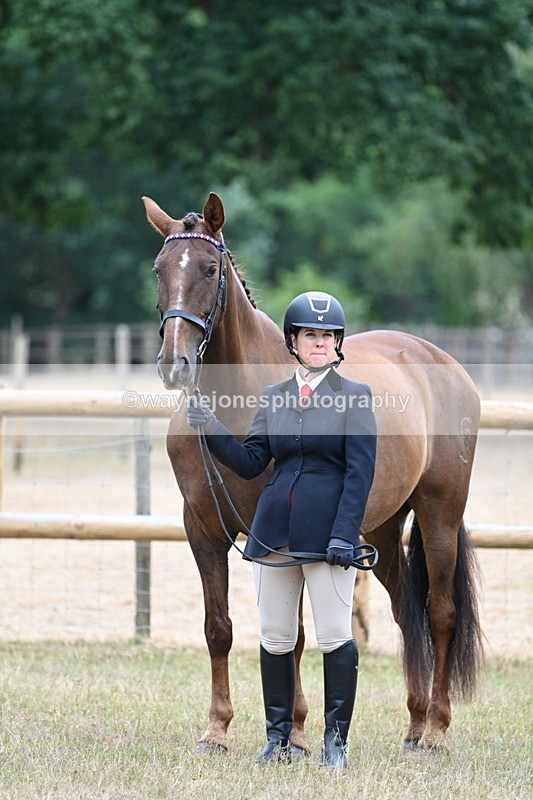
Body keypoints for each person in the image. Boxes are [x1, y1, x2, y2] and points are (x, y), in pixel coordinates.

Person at [187, 291, 377, 769]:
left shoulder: (355, 396)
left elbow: (360, 474)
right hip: (272, 533)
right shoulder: (274, 397)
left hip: (328, 535)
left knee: (334, 638)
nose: (320, 343)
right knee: (274, 637)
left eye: (328, 336)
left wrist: (343, 534)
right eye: (310, 335)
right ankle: (278, 739)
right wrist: (209, 427)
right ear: (293, 341)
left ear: (338, 344)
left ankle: (335, 743)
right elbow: (252, 463)